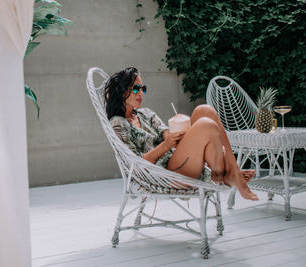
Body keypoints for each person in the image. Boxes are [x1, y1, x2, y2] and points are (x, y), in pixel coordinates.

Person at [105, 67, 258, 200]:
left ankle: (230, 172)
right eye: (136, 89)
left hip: (178, 158)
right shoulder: (118, 124)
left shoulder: (146, 113)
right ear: (123, 91)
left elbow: (166, 133)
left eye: (142, 89)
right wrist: (166, 145)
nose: (141, 93)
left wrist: (176, 134)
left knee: (205, 110)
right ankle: (228, 174)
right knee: (206, 125)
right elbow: (135, 165)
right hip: (165, 173)